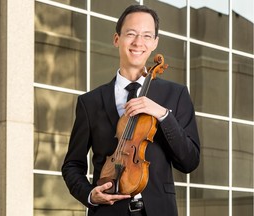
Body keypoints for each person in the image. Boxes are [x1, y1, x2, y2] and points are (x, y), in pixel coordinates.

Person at [62, 4, 200, 216]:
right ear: (117, 39)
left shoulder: (176, 94)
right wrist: (90, 195)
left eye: (146, 36)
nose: (138, 42)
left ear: (155, 43)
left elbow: (189, 161)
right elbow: (72, 165)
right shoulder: (89, 102)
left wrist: (163, 115)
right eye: (131, 34)